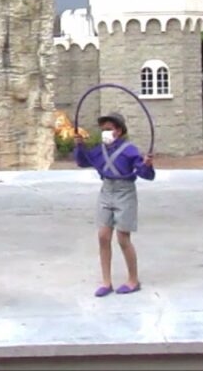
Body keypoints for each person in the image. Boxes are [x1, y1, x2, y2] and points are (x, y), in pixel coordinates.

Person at [74, 112, 154, 297]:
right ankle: (106, 282)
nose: (105, 133)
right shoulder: (99, 150)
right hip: (106, 191)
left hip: (124, 192)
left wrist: (147, 165)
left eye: (108, 130)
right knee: (103, 236)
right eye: (103, 130)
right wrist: (79, 145)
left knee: (123, 238)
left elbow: (146, 175)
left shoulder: (129, 150)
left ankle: (133, 280)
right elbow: (82, 161)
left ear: (118, 131)